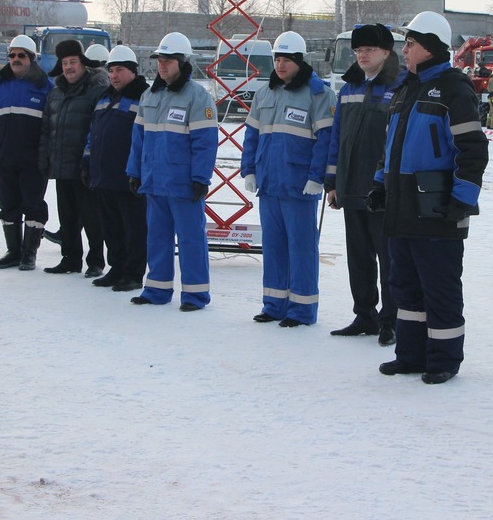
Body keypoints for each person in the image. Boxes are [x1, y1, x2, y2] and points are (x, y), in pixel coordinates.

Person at [371, 11, 489, 385]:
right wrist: (379, 184)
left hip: (437, 208)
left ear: (432, 47)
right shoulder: (406, 88)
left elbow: (473, 151)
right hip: (402, 207)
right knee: (404, 285)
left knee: (440, 288)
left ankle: (443, 359)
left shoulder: (455, 88)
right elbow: (389, 146)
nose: (403, 51)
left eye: (410, 44)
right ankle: (410, 354)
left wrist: (462, 199)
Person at [242, 31, 336, 327]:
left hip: (300, 186)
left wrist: (317, 177)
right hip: (269, 183)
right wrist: (250, 170)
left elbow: (326, 140)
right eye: (277, 59)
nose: (280, 65)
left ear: (299, 60)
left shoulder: (318, 93)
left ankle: (301, 309)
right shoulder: (265, 93)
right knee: (273, 247)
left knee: (302, 248)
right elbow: (252, 135)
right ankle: (274, 305)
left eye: (286, 60)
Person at [325, 23, 405, 346]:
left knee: (388, 258)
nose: (362, 56)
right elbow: (336, 138)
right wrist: (332, 180)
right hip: (350, 187)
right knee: (358, 256)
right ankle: (365, 315)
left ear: (386, 52)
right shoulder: (349, 88)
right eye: (358, 51)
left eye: (369, 50)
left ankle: (391, 320)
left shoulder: (399, 86)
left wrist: (384, 183)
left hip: (381, 191)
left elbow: (396, 141)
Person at [126, 33, 219, 309]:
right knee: (156, 237)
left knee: (191, 239)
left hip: (183, 183)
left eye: (167, 61)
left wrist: (200, 178)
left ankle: (195, 294)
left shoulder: (198, 97)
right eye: (159, 61)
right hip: (155, 181)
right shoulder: (149, 95)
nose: (162, 66)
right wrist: (134, 171)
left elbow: (205, 143)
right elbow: (138, 139)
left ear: (181, 62)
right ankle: (156, 289)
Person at [0, 35, 53, 271]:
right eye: (12, 55)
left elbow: (53, 128)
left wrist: (48, 156)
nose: (16, 59)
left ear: (31, 58)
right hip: (4, 157)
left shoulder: (46, 88)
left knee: (33, 205)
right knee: (8, 205)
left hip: (34, 161)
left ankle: (29, 254)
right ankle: (13, 251)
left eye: (21, 55)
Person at [38, 39, 109, 277]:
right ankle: (70, 259)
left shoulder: (96, 92)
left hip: (85, 168)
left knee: (92, 218)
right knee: (67, 218)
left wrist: (91, 162)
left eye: (73, 62)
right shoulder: (55, 94)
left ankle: (96, 262)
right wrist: (44, 158)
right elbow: (47, 129)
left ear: (83, 65)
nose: (69, 67)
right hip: (61, 166)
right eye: (65, 63)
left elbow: (98, 130)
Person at [83, 45, 150, 292]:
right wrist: (87, 161)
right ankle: (117, 268)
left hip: (128, 176)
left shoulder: (144, 96)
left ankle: (133, 273)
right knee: (111, 227)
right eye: (111, 70)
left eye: (119, 70)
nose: (114, 75)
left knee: (133, 227)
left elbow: (146, 138)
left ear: (132, 71)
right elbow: (93, 132)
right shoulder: (104, 97)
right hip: (103, 174)